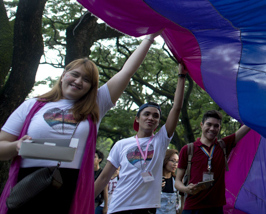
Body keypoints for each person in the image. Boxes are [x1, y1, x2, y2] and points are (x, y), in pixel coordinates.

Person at [0, 32, 162, 214]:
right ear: (63, 75)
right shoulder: (32, 106)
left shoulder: (96, 106)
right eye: (75, 75)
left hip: (69, 186)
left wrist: (149, 37)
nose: (78, 81)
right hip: (28, 184)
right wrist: (16, 146)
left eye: (86, 80)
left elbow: (127, 71)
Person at [94, 63, 186, 214]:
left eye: (156, 116)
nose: (151, 118)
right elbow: (104, 177)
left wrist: (181, 76)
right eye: (147, 114)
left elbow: (176, 107)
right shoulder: (121, 144)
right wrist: (83, 201)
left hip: (146, 209)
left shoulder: (160, 140)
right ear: (137, 118)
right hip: (119, 207)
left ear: (158, 122)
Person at [175, 110, 251, 214]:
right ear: (201, 125)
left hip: (216, 208)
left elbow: (247, 127)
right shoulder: (188, 149)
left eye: (216, 126)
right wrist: (186, 189)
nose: (212, 128)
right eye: (209, 124)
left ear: (220, 128)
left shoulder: (223, 145)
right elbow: (177, 181)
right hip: (192, 207)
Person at [158, 149, 180, 214]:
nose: (175, 164)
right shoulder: (155, 180)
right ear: (165, 160)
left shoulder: (176, 181)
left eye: (177, 161)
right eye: (173, 161)